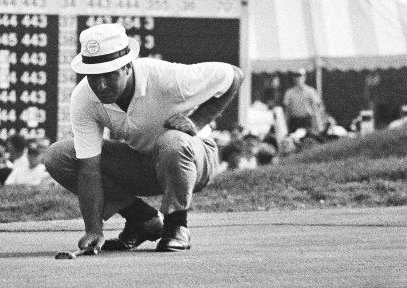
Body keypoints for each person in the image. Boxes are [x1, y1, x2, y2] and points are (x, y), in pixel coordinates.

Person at [45, 23, 243, 253]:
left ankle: (177, 225)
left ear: (128, 66)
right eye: (93, 76)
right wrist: (93, 229)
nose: (101, 85)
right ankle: (142, 220)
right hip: (146, 163)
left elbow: (234, 75)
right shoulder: (84, 98)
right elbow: (89, 170)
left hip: (196, 161)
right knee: (59, 156)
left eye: (109, 75)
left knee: (172, 142)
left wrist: (196, 122)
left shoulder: (167, 77)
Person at [283, 68, 325, 137]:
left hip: (307, 121)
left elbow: (317, 108)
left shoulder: (310, 91)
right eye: (296, 76)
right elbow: (287, 111)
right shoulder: (289, 93)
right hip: (294, 121)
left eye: (300, 76)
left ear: (304, 77)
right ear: (294, 78)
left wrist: (319, 125)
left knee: (308, 141)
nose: (298, 78)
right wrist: (285, 126)